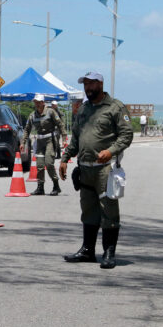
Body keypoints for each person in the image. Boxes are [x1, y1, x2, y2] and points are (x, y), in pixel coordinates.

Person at [59, 71, 133, 269]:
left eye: (92, 84)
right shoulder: (83, 110)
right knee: (88, 210)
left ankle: (109, 252)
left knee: (108, 210)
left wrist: (111, 151)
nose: (88, 88)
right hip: (85, 168)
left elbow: (126, 135)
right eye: (86, 84)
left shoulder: (115, 107)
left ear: (100, 84)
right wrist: (65, 158)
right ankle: (87, 251)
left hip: (105, 169)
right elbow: (75, 138)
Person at [20, 94, 67, 196]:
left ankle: (56, 185)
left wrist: (64, 138)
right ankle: (40, 187)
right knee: (40, 165)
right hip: (40, 142)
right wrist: (23, 142)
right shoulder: (32, 115)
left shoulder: (51, 112)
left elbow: (60, 125)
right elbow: (27, 129)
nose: (36, 104)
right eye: (35, 102)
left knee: (49, 163)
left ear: (43, 103)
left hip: (50, 140)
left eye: (38, 102)